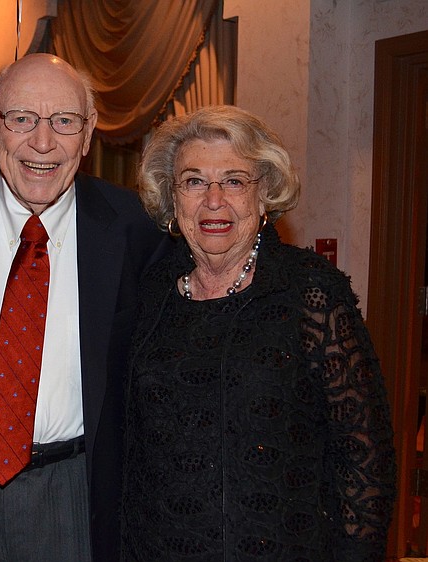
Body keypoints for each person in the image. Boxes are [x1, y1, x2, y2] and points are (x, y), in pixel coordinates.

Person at [0, 53, 169, 561]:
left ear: (88, 133)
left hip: (78, 496)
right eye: (21, 118)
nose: (43, 143)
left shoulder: (136, 231)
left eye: (64, 121)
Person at [121, 105, 396, 561]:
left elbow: (364, 460)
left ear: (264, 193)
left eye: (234, 181)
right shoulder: (150, 294)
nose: (213, 200)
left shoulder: (309, 291)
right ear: (172, 197)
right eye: (194, 181)